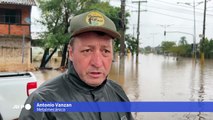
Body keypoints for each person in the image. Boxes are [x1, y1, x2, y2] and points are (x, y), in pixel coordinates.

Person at [19, 10, 133, 120]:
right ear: (71, 53)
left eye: (106, 51)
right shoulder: (42, 102)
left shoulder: (117, 92)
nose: (97, 63)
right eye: (87, 50)